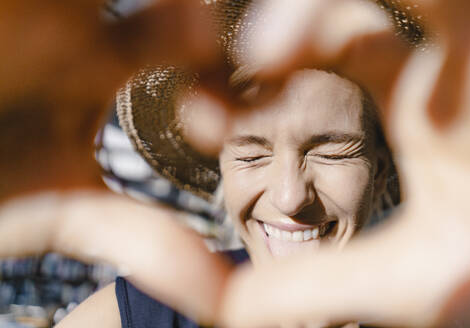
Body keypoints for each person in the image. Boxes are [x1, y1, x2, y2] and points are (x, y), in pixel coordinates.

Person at [57, 66, 394, 328]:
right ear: (222, 165)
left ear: (378, 172)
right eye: (251, 155)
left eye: (330, 154)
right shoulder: (150, 311)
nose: (290, 198)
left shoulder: (436, 311)